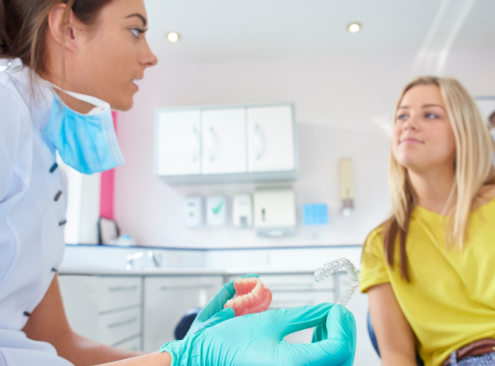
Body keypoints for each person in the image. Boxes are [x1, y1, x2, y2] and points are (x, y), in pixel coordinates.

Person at [0, 0, 356, 365]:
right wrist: (195, 358)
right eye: (135, 30)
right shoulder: (5, 110)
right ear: (67, 27)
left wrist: (182, 352)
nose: (151, 56)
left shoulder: (46, 164)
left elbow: (60, 346)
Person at [360, 76, 495, 366]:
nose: (409, 124)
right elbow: (397, 355)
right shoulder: (382, 244)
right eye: (402, 115)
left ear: (464, 132)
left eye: (430, 114)